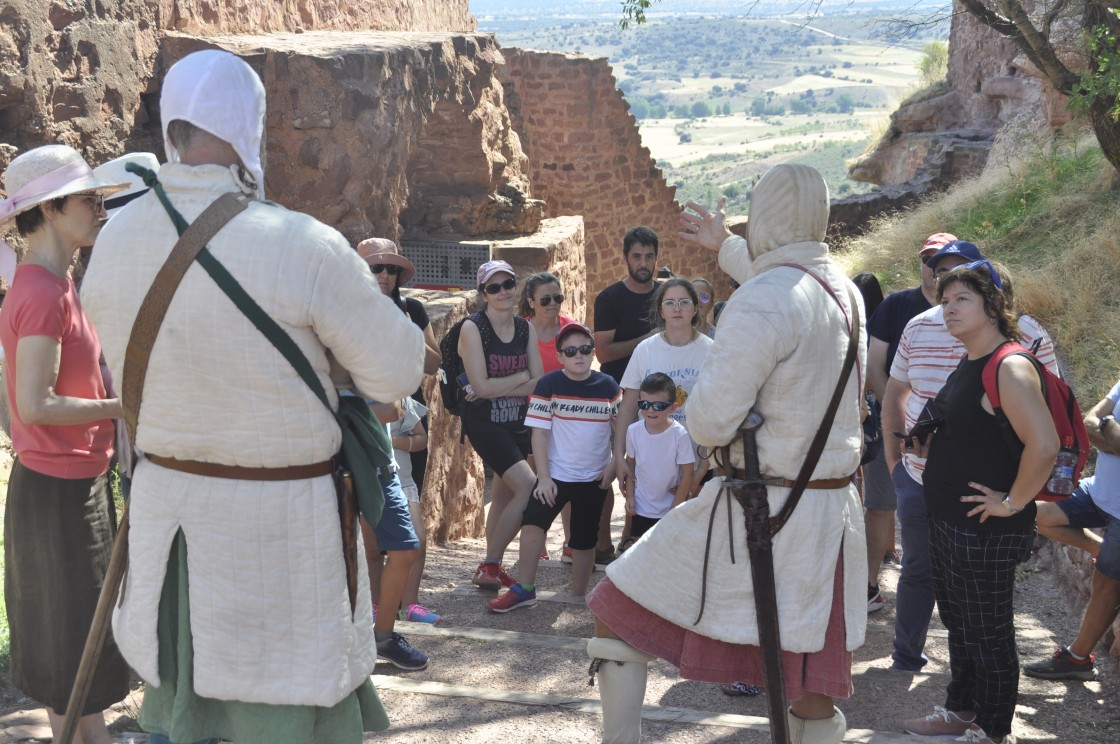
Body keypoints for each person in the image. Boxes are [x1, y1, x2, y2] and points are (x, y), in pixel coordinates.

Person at [79, 50, 425, 743]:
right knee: (281, 712)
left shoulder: (112, 244)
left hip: (172, 519)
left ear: (170, 127)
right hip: (279, 536)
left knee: (189, 717)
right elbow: (395, 372)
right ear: (251, 122)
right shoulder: (298, 243)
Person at [586, 164, 867, 744]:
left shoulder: (761, 301)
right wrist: (727, 247)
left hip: (758, 513)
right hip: (829, 512)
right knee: (811, 670)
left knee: (616, 607)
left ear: (763, 213)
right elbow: (789, 280)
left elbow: (710, 419)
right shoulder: (844, 289)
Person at [0, 144, 130, 744]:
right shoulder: (44, 293)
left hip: (60, 486)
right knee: (76, 653)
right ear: (49, 209)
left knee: (70, 656)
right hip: (61, 495)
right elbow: (35, 404)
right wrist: (122, 407)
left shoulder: (49, 283)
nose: (98, 208)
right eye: (87, 198)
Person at [902, 260, 1058, 744]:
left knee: (989, 636)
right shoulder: (970, 361)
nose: (948, 308)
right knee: (961, 625)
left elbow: (1045, 445)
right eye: (944, 300)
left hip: (986, 530)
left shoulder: (1009, 365)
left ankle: (993, 732)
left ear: (992, 305)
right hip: (951, 521)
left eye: (961, 299)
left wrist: (1012, 502)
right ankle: (961, 710)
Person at [488, 322, 621, 612]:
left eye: (585, 349)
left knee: (585, 539)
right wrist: (544, 478)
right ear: (560, 356)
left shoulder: (608, 386)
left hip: (594, 478)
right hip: (555, 477)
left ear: (592, 352)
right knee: (533, 523)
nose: (579, 355)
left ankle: (577, 597)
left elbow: (620, 428)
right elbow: (540, 433)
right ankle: (524, 589)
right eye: (570, 350)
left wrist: (614, 464)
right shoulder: (549, 384)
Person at [352, 238, 437, 663]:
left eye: (390, 270)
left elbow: (402, 396)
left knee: (405, 545)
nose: (383, 276)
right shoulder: (339, 320)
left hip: (381, 453)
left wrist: (402, 333)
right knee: (351, 551)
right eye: (374, 269)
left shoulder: (405, 317)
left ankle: (383, 635)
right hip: (341, 453)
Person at [863, 232, 956, 613]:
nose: (936, 270)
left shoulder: (974, 310)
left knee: (947, 513)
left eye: (946, 263)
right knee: (882, 505)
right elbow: (873, 367)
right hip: (895, 427)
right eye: (930, 261)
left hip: (954, 438)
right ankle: (869, 586)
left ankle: (947, 590)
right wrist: (899, 418)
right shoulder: (897, 306)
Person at [1023, 381, 1120, 681]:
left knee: (1106, 585)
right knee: (1030, 511)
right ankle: (1099, 550)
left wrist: (1105, 429)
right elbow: (1089, 421)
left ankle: (1078, 659)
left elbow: (1102, 431)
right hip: (1098, 492)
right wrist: (1106, 429)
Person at [460, 259, 544, 589]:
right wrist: (520, 376)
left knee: (505, 491)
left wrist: (503, 383)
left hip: (516, 421)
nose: (503, 292)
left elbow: (538, 382)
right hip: (485, 423)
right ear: (484, 293)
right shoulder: (473, 328)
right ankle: (491, 563)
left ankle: (489, 567)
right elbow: (480, 389)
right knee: (529, 486)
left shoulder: (525, 328)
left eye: (508, 284)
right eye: (494, 288)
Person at [613, 277, 713, 551]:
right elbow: (629, 405)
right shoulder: (646, 350)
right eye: (669, 302)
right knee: (641, 541)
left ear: (695, 308)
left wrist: (703, 466)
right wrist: (619, 455)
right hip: (650, 464)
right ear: (660, 310)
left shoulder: (711, 351)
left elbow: (717, 411)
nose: (677, 308)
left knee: (686, 543)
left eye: (684, 302)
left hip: (694, 459)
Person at [593, 226, 660, 561]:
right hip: (617, 396)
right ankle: (601, 545)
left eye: (649, 256)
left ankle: (631, 538)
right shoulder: (609, 298)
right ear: (626, 258)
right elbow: (603, 353)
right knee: (610, 469)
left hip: (659, 401)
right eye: (637, 256)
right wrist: (647, 339)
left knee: (648, 470)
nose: (643, 263)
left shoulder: (666, 295)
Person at [519, 271, 576, 562]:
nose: (553, 303)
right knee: (533, 482)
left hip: (566, 419)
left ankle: (570, 543)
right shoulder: (520, 331)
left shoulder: (572, 331)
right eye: (546, 299)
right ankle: (536, 543)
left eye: (558, 297)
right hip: (530, 419)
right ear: (531, 301)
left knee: (565, 481)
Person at [623, 372, 695, 538]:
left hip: (669, 509)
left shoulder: (679, 434)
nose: (650, 410)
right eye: (644, 404)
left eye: (658, 406)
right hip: (641, 508)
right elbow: (631, 466)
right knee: (640, 554)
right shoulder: (633, 431)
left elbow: (688, 473)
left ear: (673, 407)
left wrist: (674, 509)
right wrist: (630, 497)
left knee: (667, 556)